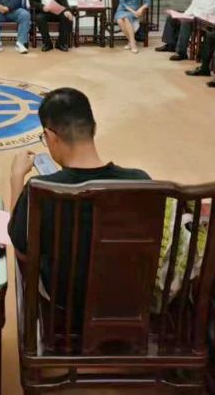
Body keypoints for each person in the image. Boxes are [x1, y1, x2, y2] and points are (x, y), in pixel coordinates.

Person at [8, 88, 149, 305]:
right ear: (94, 128)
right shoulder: (140, 182)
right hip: (124, 300)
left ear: (51, 137)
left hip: (64, 302)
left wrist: (17, 178)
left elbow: (20, 243)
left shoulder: (42, 190)